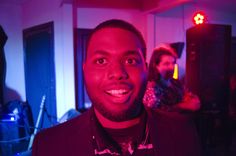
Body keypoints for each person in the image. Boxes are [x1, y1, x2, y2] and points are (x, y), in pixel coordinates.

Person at [32, 19, 201, 156]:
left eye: (130, 61)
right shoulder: (49, 146)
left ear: (145, 68)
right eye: (101, 61)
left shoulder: (183, 132)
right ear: (85, 70)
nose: (117, 73)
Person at [143, 43, 201, 113]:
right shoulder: (152, 87)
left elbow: (187, 95)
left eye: (173, 63)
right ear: (155, 65)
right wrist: (183, 106)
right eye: (166, 64)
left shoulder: (175, 82)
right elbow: (156, 113)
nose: (172, 67)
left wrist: (193, 99)